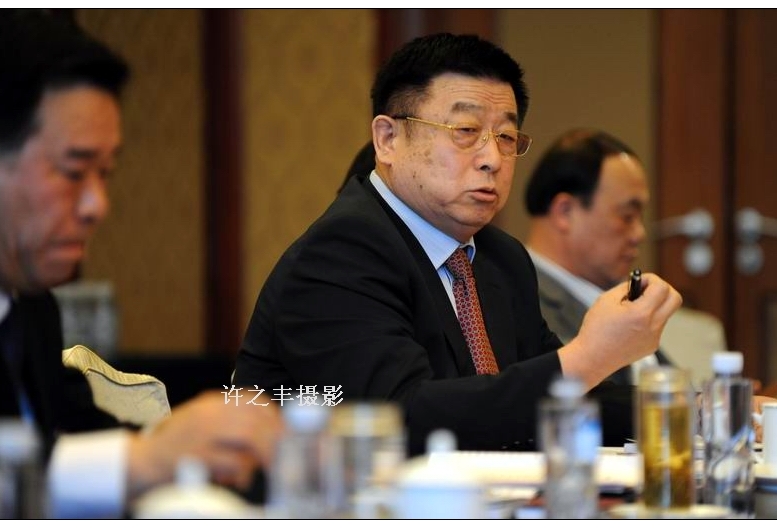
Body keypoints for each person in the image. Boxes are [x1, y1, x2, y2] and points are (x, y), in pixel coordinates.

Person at [234, 33, 682, 455]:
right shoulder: (341, 251)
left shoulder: (500, 257)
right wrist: (590, 354)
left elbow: (549, 393)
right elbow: (401, 418)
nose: (492, 159)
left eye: (506, 137)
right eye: (465, 130)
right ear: (388, 139)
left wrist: (686, 411)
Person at [0, 9, 281, 518]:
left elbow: (71, 437)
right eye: (73, 171)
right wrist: (143, 460)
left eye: (106, 173)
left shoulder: (29, 305)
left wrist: (186, 449)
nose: (97, 205)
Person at [523, 128, 671, 385]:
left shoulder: (610, 293)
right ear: (565, 212)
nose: (640, 234)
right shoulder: (525, 301)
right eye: (627, 216)